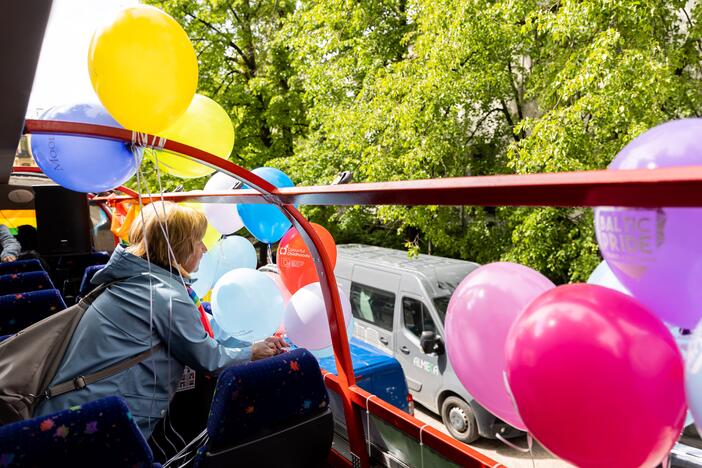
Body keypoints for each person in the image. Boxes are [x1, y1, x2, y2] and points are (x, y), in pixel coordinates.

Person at [34, 201, 287, 437]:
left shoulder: (132, 281)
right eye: (198, 240)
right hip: (100, 423)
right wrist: (252, 351)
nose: (205, 248)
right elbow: (209, 359)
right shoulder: (166, 296)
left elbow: (199, 326)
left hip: (71, 407)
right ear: (179, 245)